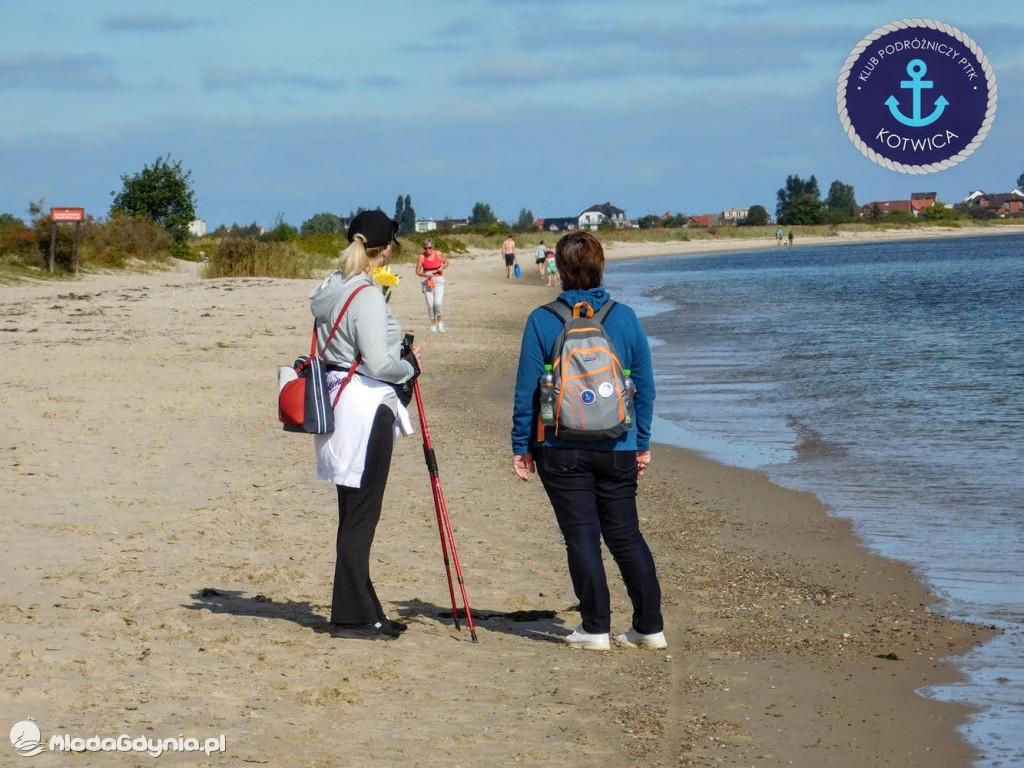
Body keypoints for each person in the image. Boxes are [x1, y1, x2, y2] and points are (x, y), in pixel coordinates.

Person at [510, 231, 665, 652]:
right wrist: (642, 442)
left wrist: (520, 446)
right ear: (601, 267)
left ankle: (595, 628)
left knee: (581, 535)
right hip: (619, 445)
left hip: (559, 447)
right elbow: (645, 388)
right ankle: (649, 627)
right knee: (626, 535)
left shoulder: (542, 320)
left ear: (559, 270)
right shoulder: (625, 317)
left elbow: (527, 391)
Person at [308, 210, 422, 641]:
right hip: (365, 407)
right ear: (385, 250)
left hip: (339, 403)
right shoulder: (367, 295)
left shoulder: (331, 286)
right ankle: (353, 617)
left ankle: (363, 608)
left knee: (352, 514)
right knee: (361, 517)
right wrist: (408, 366)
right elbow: (378, 362)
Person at [415, 237, 451, 333]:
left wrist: (442, 267)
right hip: (427, 281)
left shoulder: (438, 254)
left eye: (429, 247)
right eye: (425, 248)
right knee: (430, 304)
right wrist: (424, 274)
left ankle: (440, 322)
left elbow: (447, 262)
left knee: (437, 303)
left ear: (433, 246)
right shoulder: (421, 257)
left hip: (438, 281)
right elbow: (417, 271)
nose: (427, 250)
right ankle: (433, 324)